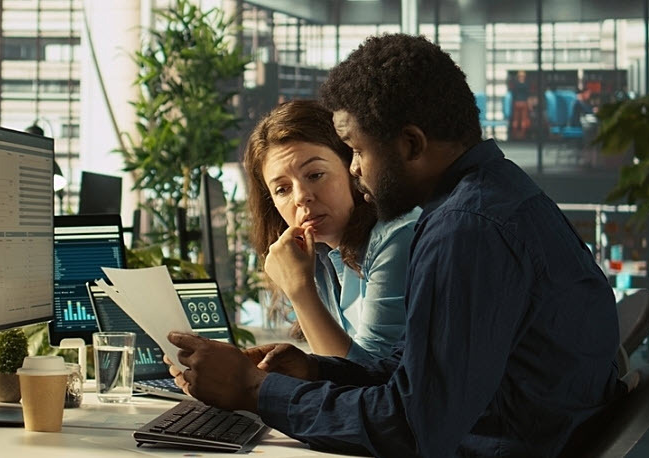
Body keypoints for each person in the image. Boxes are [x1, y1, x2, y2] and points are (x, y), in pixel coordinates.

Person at [166, 34, 622, 457]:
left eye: (357, 151)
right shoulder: (487, 197)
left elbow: (412, 428)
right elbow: (416, 379)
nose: (356, 169)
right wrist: (318, 371)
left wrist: (253, 389)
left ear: (410, 145)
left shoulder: (466, 230)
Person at [242, 99, 419, 361]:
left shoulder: (396, 236)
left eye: (315, 175)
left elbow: (368, 377)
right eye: (282, 189)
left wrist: (300, 291)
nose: (301, 197)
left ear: (352, 168)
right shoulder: (317, 254)